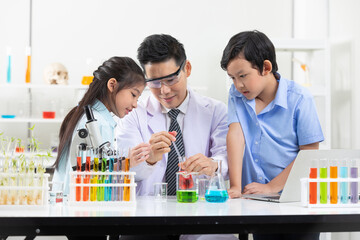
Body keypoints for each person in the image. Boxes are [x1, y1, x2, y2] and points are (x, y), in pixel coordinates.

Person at [116, 34, 236, 240]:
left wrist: (212, 164)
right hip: (146, 219)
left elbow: (228, 158)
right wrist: (150, 157)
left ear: (187, 69)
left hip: (199, 215)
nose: (164, 90)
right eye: (153, 82)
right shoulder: (134, 114)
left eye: (171, 79)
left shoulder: (215, 111)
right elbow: (123, 171)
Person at [221, 30, 324, 240]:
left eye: (242, 76)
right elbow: (235, 135)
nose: (238, 85)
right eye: (232, 78)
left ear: (265, 67)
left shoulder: (299, 98)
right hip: (259, 203)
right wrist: (235, 186)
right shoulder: (237, 95)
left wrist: (270, 187)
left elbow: (309, 154)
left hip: (297, 201)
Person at [52, 56, 146, 240]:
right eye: (133, 95)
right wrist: (125, 163)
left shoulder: (90, 114)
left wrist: (124, 162)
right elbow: (90, 169)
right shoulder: (95, 121)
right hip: (82, 210)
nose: (135, 104)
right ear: (112, 85)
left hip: (76, 207)